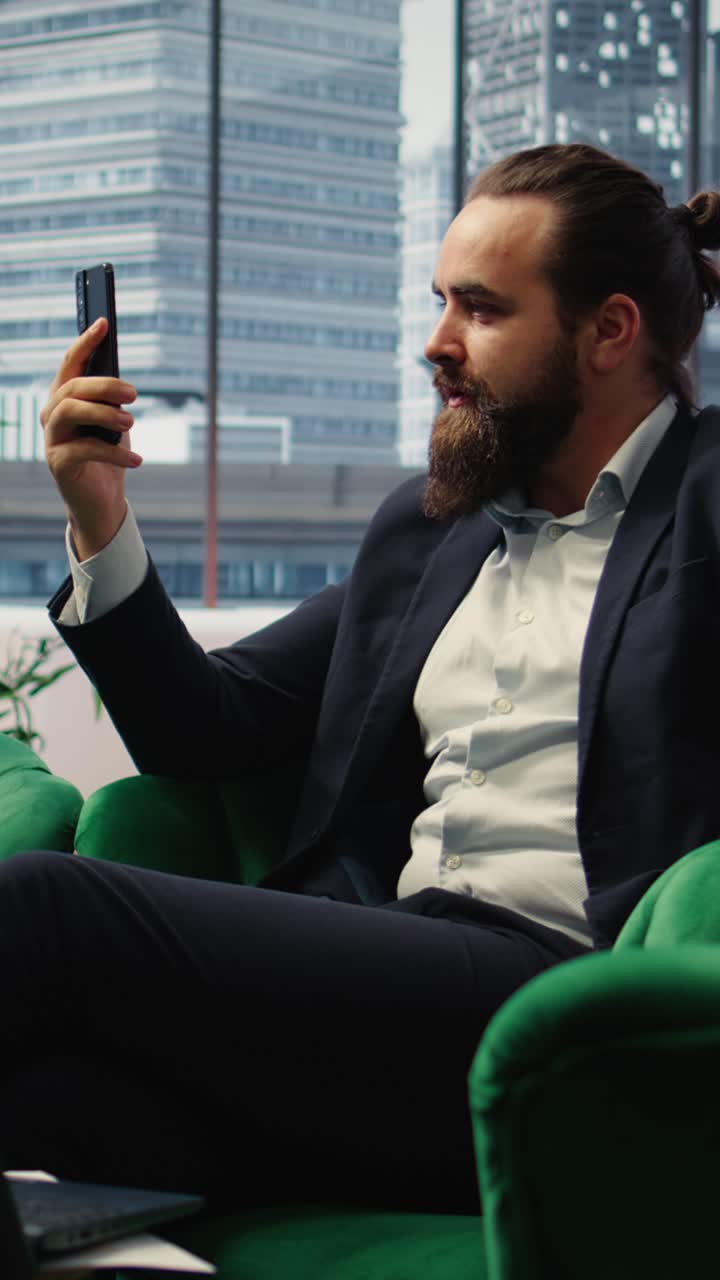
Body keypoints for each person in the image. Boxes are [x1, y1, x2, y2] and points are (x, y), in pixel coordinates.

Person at [2, 142, 720, 1211]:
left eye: (480, 309)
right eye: (440, 301)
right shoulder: (430, 532)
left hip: (575, 998)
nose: (436, 343)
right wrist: (99, 512)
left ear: (610, 330)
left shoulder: (707, 501)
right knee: (50, 1103)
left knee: (41, 910)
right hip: (392, 986)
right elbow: (206, 726)